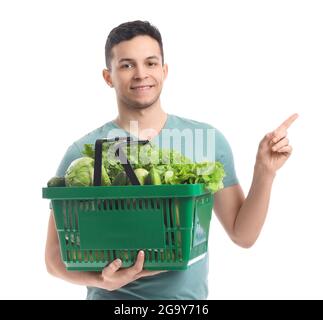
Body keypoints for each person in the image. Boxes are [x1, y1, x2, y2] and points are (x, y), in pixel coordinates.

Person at [45, 20, 298, 300]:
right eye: (127, 65)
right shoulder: (85, 152)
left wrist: (265, 172)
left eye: (151, 63)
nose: (141, 74)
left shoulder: (206, 140)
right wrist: (102, 281)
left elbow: (243, 235)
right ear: (108, 76)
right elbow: (54, 259)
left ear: (164, 71)